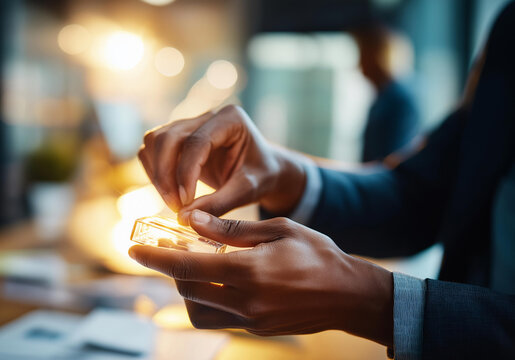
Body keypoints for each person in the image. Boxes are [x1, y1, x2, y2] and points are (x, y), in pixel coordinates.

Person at [131, 3, 515, 359]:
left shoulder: (400, 98)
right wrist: (285, 175)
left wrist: (377, 303)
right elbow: (422, 195)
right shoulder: (509, 25)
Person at [351, 24, 420, 162]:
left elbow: (392, 159)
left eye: (363, 55)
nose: (358, 65)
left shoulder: (399, 99)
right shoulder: (384, 98)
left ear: (377, 57)